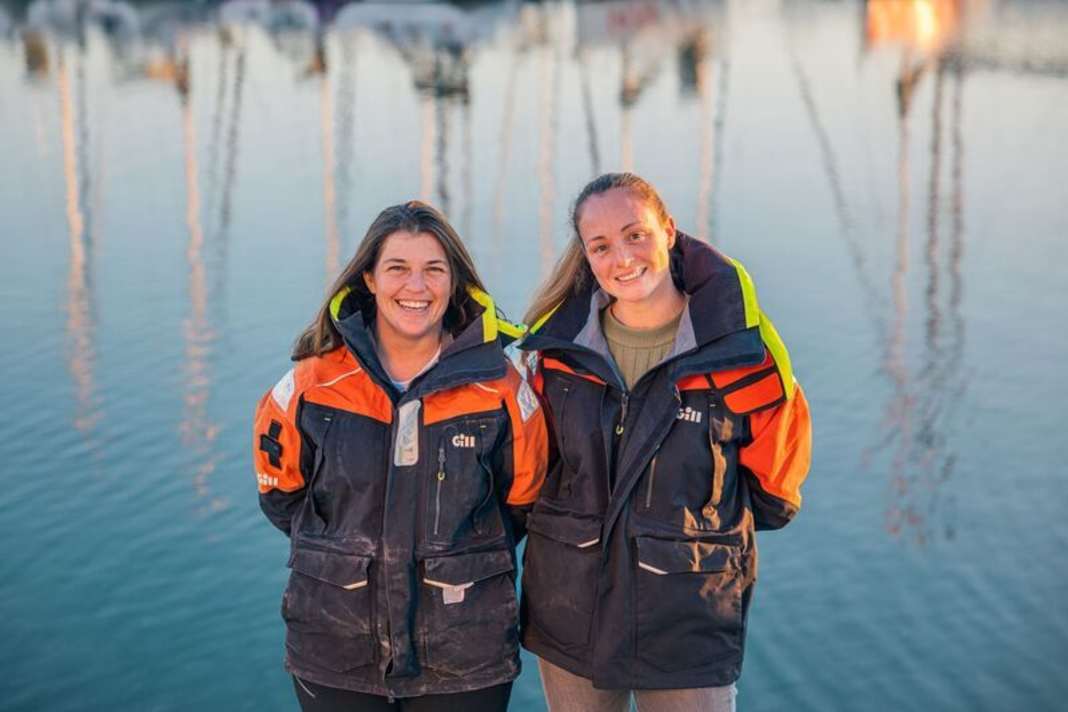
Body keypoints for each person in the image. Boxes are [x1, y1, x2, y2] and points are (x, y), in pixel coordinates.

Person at [518, 173, 812, 712]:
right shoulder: (553, 354)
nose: (622, 258)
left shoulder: (741, 355)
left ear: (669, 231)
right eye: (601, 246)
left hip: (689, 613)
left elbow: (776, 488)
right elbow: (532, 468)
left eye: (636, 235)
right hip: (569, 603)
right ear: (586, 257)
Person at [252, 201, 547, 711]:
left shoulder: (499, 388)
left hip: (465, 652)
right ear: (368, 277)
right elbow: (281, 493)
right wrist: (345, 552)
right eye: (397, 268)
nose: (416, 287)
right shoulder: (311, 384)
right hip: (335, 644)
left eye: (434, 269)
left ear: (454, 282)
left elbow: (523, 499)